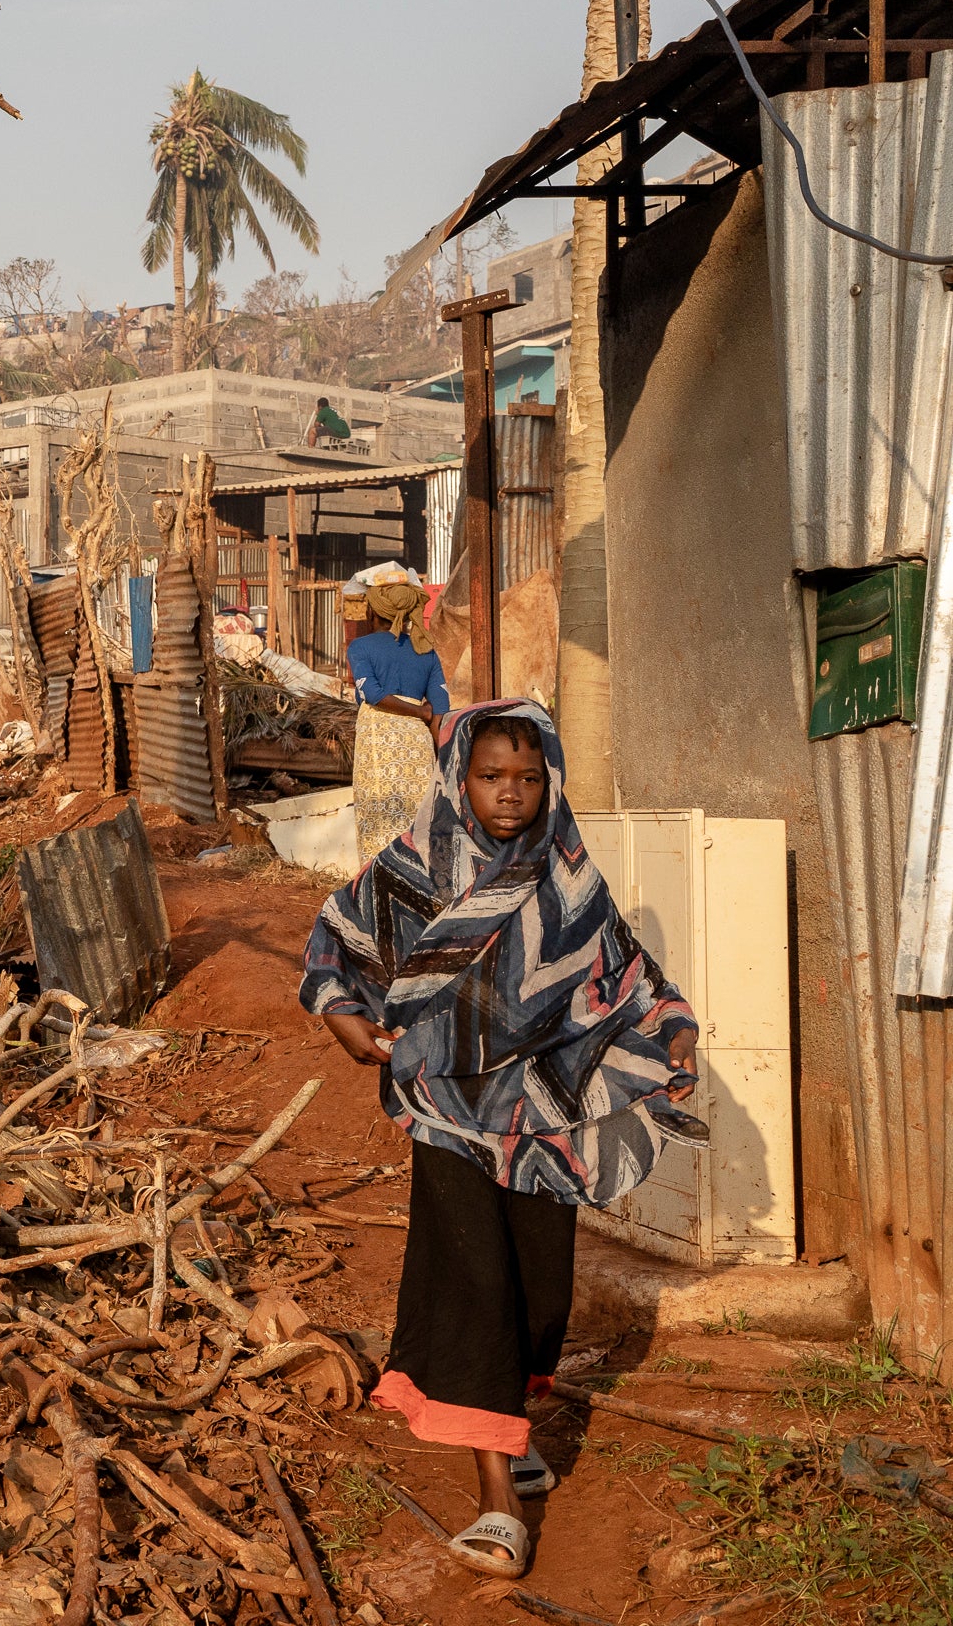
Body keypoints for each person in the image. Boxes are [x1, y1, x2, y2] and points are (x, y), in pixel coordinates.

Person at [302, 702, 701, 1580]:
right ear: (458, 778)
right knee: (476, 1281)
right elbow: (337, 941)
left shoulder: (570, 878)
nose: (511, 794)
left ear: (548, 778)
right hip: (444, 1106)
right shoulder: (414, 868)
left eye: (528, 777)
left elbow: (632, 979)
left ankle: (511, 1421)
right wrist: (343, 1015)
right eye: (491, 777)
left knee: (541, 1289)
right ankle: (497, 1497)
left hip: (540, 1120)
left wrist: (670, 1030)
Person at [346, 581, 447, 858]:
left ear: (372, 614)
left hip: (379, 741)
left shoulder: (360, 647)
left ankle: (380, 882)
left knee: (379, 821)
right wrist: (442, 760)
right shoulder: (426, 651)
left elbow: (374, 695)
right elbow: (439, 711)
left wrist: (419, 712)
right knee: (419, 817)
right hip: (418, 744)